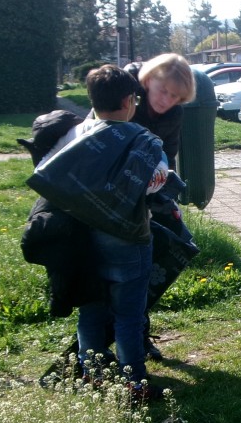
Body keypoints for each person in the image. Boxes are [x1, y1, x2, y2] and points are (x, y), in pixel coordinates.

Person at [30, 64, 174, 400]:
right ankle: (134, 383)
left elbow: (51, 172)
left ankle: (91, 373)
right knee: (128, 314)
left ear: (92, 99)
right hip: (128, 240)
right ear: (128, 101)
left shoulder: (74, 134)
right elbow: (154, 182)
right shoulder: (144, 141)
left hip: (81, 240)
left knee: (91, 306)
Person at [127, 53, 197, 360]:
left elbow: (168, 153)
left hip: (146, 191)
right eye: (163, 90)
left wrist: (166, 191)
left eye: (175, 97)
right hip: (111, 188)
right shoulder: (126, 91)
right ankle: (96, 345)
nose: (166, 100)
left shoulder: (174, 114)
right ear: (148, 79)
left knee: (146, 265)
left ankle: (140, 336)